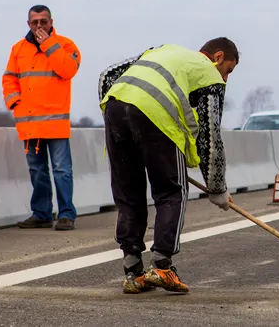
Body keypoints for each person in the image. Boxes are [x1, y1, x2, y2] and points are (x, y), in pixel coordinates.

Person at [97, 37, 238, 294]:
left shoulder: (163, 51)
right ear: (218, 57)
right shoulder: (209, 75)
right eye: (228, 70)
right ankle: (162, 265)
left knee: (129, 195)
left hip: (116, 108)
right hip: (156, 116)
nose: (226, 79)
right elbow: (210, 137)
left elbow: (107, 75)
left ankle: (133, 271)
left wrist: (120, 118)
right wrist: (217, 187)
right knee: (171, 191)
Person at [2, 5, 82, 231]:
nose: (39, 26)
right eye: (35, 22)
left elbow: (67, 70)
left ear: (51, 22)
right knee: (37, 171)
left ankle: (66, 214)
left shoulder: (66, 45)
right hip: (30, 123)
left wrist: (47, 43)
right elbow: (9, 78)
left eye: (43, 21)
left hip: (55, 123)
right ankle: (42, 213)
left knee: (61, 170)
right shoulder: (18, 49)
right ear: (28, 24)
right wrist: (15, 102)